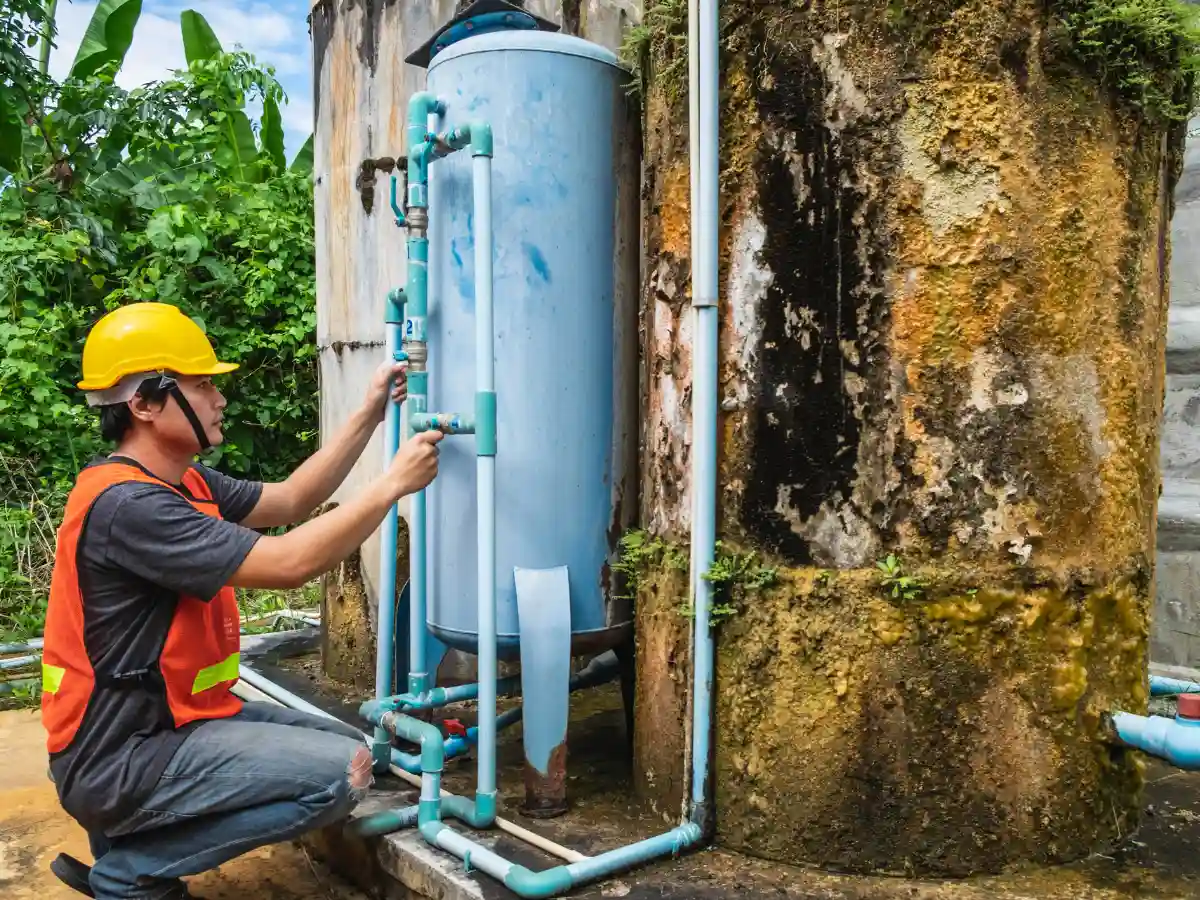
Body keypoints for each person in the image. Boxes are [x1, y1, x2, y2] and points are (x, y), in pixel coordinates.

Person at [40, 301, 443, 899]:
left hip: (168, 725)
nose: (219, 398)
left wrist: (369, 414)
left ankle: (125, 849)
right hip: (121, 757)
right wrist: (392, 485)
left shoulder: (184, 482)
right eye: (201, 385)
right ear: (145, 404)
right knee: (342, 775)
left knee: (354, 750)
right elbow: (289, 563)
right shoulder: (133, 507)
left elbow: (289, 501)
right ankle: (132, 870)